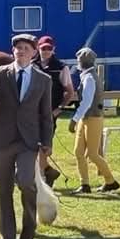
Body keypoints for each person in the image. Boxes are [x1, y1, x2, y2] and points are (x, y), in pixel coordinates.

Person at [0, 33, 53, 239]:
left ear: (34, 52)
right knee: (3, 189)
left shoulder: (44, 80)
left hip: (28, 141)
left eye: (25, 47)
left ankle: (29, 226)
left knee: (26, 182)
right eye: (17, 47)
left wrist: (47, 141)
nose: (20, 50)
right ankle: (7, 238)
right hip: (3, 139)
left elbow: (45, 114)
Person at [69, 47, 120, 194]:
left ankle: (111, 181)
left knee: (92, 154)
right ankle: (84, 184)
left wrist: (74, 119)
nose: (79, 62)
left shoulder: (90, 78)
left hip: (93, 118)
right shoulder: (86, 76)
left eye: (80, 60)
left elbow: (86, 102)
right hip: (85, 118)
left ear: (83, 62)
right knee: (78, 152)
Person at [32, 35, 76, 186]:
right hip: (31, 113)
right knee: (32, 145)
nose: (45, 51)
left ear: (53, 50)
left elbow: (70, 92)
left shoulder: (61, 67)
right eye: (43, 48)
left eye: (49, 48)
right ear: (38, 48)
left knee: (44, 145)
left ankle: (43, 177)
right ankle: (47, 173)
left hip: (50, 113)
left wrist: (60, 109)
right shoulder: (31, 65)